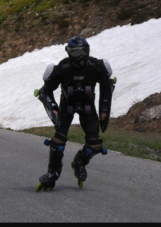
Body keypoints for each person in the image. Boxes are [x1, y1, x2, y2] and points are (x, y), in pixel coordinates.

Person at [35, 36, 115, 191]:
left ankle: (79, 161)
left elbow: (106, 85)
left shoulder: (95, 66)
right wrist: (54, 108)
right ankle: (53, 173)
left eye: (84, 51)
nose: (81, 57)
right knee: (57, 143)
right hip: (67, 107)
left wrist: (104, 110)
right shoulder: (62, 68)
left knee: (95, 146)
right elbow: (46, 90)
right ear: (69, 53)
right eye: (76, 52)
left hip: (87, 107)